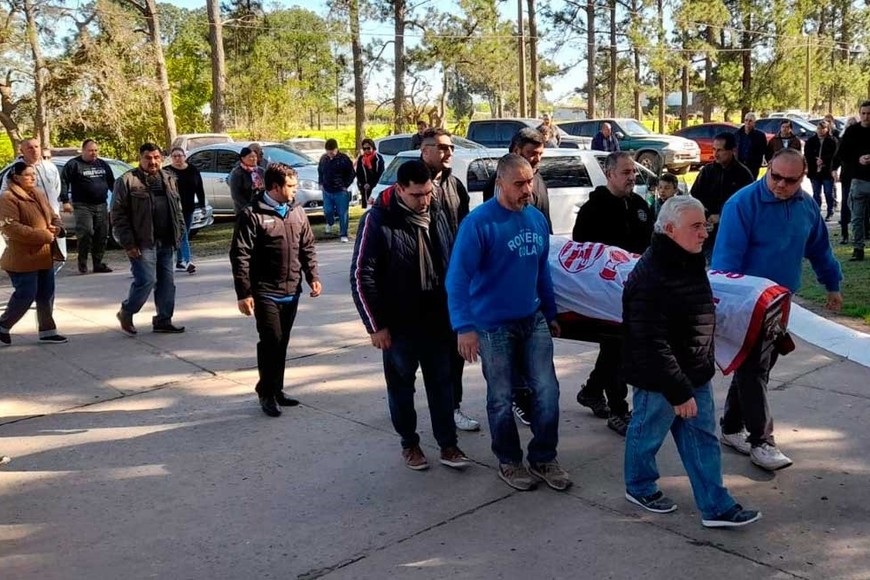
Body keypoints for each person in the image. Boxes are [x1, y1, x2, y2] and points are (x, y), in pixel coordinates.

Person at [622, 195, 762, 528]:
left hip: (694, 372)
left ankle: (716, 506)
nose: (704, 234)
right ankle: (639, 485)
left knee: (703, 441)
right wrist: (678, 391)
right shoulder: (650, 277)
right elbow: (652, 343)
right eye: (696, 227)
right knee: (647, 435)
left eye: (706, 225)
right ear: (670, 229)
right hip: (661, 380)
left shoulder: (689, 257)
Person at [713, 148, 843, 471]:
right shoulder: (742, 205)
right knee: (754, 370)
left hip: (780, 302)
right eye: (776, 176)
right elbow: (725, 263)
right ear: (767, 167)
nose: (781, 185)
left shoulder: (806, 206)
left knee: (756, 367)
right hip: (746, 303)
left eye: (790, 180)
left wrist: (832, 285)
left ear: (803, 178)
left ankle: (731, 427)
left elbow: (819, 248)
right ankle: (762, 441)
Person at [447, 154, 569, 492]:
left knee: (547, 390)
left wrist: (551, 311)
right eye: (518, 184)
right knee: (501, 397)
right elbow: (457, 279)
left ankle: (544, 457)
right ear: (499, 184)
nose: (527, 190)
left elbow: (541, 270)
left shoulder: (535, 220)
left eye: (529, 181)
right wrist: (464, 327)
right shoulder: (478, 223)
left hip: (533, 319)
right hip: (492, 326)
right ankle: (509, 461)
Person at [350, 160, 470, 470]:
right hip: (399, 324)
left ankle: (448, 443)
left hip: (438, 319)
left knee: (443, 384)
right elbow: (362, 275)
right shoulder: (377, 220)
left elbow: (454, 262)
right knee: (402, 386)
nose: (424, 200)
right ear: (400, 189)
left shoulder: (438, 213)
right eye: (417, 195)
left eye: (428, 193)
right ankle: (410, 443)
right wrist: (375, 326)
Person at [231, 163, 322, 418]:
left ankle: (277, 388)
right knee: (270, 341)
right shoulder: (252, 214)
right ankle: (266, 393)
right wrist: (244, 293)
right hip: (264, 291)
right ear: (275, 187)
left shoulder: (297, 212)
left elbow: (308, 247)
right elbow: (240, 256)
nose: (295, 190)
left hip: (292, 290)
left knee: (282, 342)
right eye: (291, 186)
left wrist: (312, 276)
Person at [572, 151, 653, 436]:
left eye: (634, 172)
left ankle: (593, 391)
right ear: (609, 174)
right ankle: (619, 410)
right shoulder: (593, 210)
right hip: (603, 294)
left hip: (637, 291)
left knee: (616, 346)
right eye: (626, 172)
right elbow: (580, 253)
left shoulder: (641, 207)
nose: (632, 177)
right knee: (618, 346)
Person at [482, 127, 551, 426]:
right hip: (500, 299)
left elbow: (542, 224)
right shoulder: (494, 190)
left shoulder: (539, 180)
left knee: (542, 377)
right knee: (505, 373)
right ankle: (519, 401)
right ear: (515, 149)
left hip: (531, 284)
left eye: (539, 155)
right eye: (531, 153)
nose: (536, 160)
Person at [420, 127, 478, 432]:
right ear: (424, 150)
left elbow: (467, 231)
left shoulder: (455, 185)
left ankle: (452, 406)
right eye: (442, 147)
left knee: (455, 350)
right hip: (423, 287)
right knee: (422, 355)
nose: (448, 152)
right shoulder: (414, 184)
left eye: (451, 147)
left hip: (455, 283)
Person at [111, 143, 186, 336]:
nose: (152, 161)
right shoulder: (127, 181)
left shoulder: (169, 178)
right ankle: (127, 311)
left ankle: (163, 320)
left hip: (167, 240)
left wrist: (180, 234)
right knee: (146, 280)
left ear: (161, 158)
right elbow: (118, 216)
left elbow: (177, 209)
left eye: (156, 157)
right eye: (148, 158)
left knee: (167, 283)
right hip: (142, 242)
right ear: (140, 159)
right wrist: (128, 243)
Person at [0, 162, 68, 346]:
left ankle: (48, 331)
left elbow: (53, 214)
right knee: (26, 294)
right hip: (22, 256)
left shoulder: (38, 193)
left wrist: (59, 228)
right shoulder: (7, 198)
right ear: (16, 178)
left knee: (46, 294)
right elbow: (11, 227)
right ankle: (3, 325)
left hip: (44, 254)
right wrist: (43, 235)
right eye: (28, 175)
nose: (33, 178)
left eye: (34, 175)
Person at [690, 132, 754, 261]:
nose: (715, 154)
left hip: (732, 232)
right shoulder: (707, 171)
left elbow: (748, 206)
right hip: (706, 230)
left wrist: (722, 216)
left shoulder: (743, 174)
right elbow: (694, 196)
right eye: (714, 149)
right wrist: (705, 215)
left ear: (732, 150)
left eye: (720, 150)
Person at [0, 138, 64, 262]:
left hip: (50, 217)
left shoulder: (50, 167)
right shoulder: (14, 170)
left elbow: (56, 189)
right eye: (29, 148)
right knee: (32, 259)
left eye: (36, 147)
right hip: (28, 221)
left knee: (51, 257)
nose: (34, 150)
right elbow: (4, 194)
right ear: (22, 151)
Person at [60, 139, 114, 274]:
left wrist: (120, 198)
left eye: (96, 150)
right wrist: (65, 200)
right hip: (82, 206)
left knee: (102, 235)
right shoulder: (73, 164)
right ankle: (82, 262)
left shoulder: (103, 165)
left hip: (101, 205)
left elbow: (112, 183)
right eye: (90, 150)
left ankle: (98, 263)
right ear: (83, 150)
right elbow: (64, 182)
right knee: (86, 232)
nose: (93, 153)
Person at [836, 101, 870, 261]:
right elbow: (842, 154)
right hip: (858, 180)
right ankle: (858, 249)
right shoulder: (852, 131)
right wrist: (858, 159)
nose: (866, 117)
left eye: (869, 114)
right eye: (863, 113)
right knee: (857, 217)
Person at [165, 147, 206, 274]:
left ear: (184, 156)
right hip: (173, 208)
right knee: (182, 235)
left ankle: (179, 262)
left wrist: (203, 204)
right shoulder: (167, 171)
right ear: (171, 158)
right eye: (174, 156)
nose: (177, 158)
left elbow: (199, 188)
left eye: (180, 155)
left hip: (188, 207)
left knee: (184, 234)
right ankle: (188, 261)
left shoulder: (193, 170)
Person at [317, 138, 355, 243]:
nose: (330, 154)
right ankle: (330, 222)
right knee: (327, 210)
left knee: (343, 213)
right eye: (328, 152)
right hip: (327, 190)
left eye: (332, 152)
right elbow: (320, 171)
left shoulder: (344, 159)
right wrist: (320, 182)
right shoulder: (324, 159)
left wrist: (345, 185)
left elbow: (351, 173)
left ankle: (343, 234)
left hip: (341, 191)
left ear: (336, 149)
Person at [804, 121, 839, 221]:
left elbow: (835, 155)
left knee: (828, 192)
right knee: (816, 192)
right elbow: (807, 153)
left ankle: (830, 210)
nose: (820, 131)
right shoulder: (811, 140)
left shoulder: (832, 141)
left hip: (827, 171)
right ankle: (816, 211)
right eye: (819, 128)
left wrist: (824, 160)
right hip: (815, 171)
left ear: (827, 129)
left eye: (823, 129)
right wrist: (815, 161)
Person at [836, 116, 859, 245]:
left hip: (861, 176)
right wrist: (834, 169)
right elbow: (838, 156)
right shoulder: (843, 139)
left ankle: (863, 232)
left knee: (862, 206)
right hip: (847, 177)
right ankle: (844, 234)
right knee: (845, 204)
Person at [229, 147, 265, 215]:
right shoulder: (237, 173)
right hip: (244, 210)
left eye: (255, 156)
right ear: (243, 158)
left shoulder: (261, 171)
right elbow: (236, 195)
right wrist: (248, 208)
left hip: (261, 207)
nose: (254, 159)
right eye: (251, 157)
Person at [734, 113, 768, 179]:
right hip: (739, 165)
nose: (747, 122)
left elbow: (764, 150)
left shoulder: (760, 136)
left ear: (754, 123)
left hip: (753, 167)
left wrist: (758, 163)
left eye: (750, 121)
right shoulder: (737, 134)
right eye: (746, 120)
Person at [354, 138, 385, 210]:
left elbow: (380, 173)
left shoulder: (378, 159)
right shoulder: (361, 159)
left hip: (375, 186)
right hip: (364, 187)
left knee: (375, 207)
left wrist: (371, 184)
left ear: (372, 147)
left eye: (368, 148)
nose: (366, 150)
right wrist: (363, 184)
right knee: (366, 208)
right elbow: (359, 173)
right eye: (364, 149)